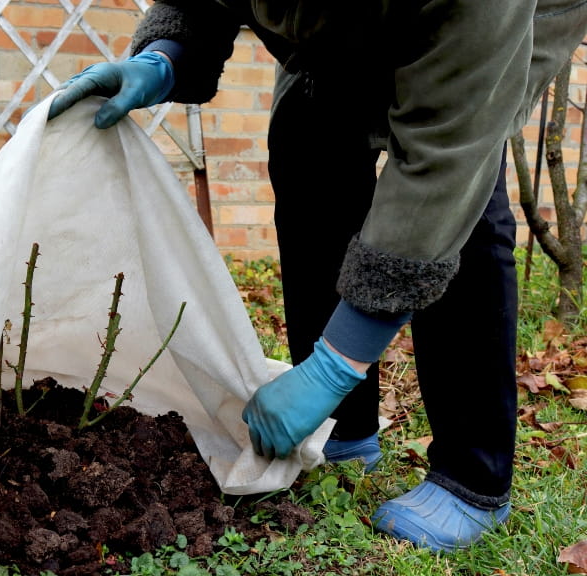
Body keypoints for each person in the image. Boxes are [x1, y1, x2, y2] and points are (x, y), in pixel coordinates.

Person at [44, 1, 587, 553]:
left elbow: (446, 159)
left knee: (464, 201)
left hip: (504, 20)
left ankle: (473, 478)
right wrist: (167, 55)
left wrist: (334, 365)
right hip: (347, 25)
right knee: (308, 135)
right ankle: (345, 430)